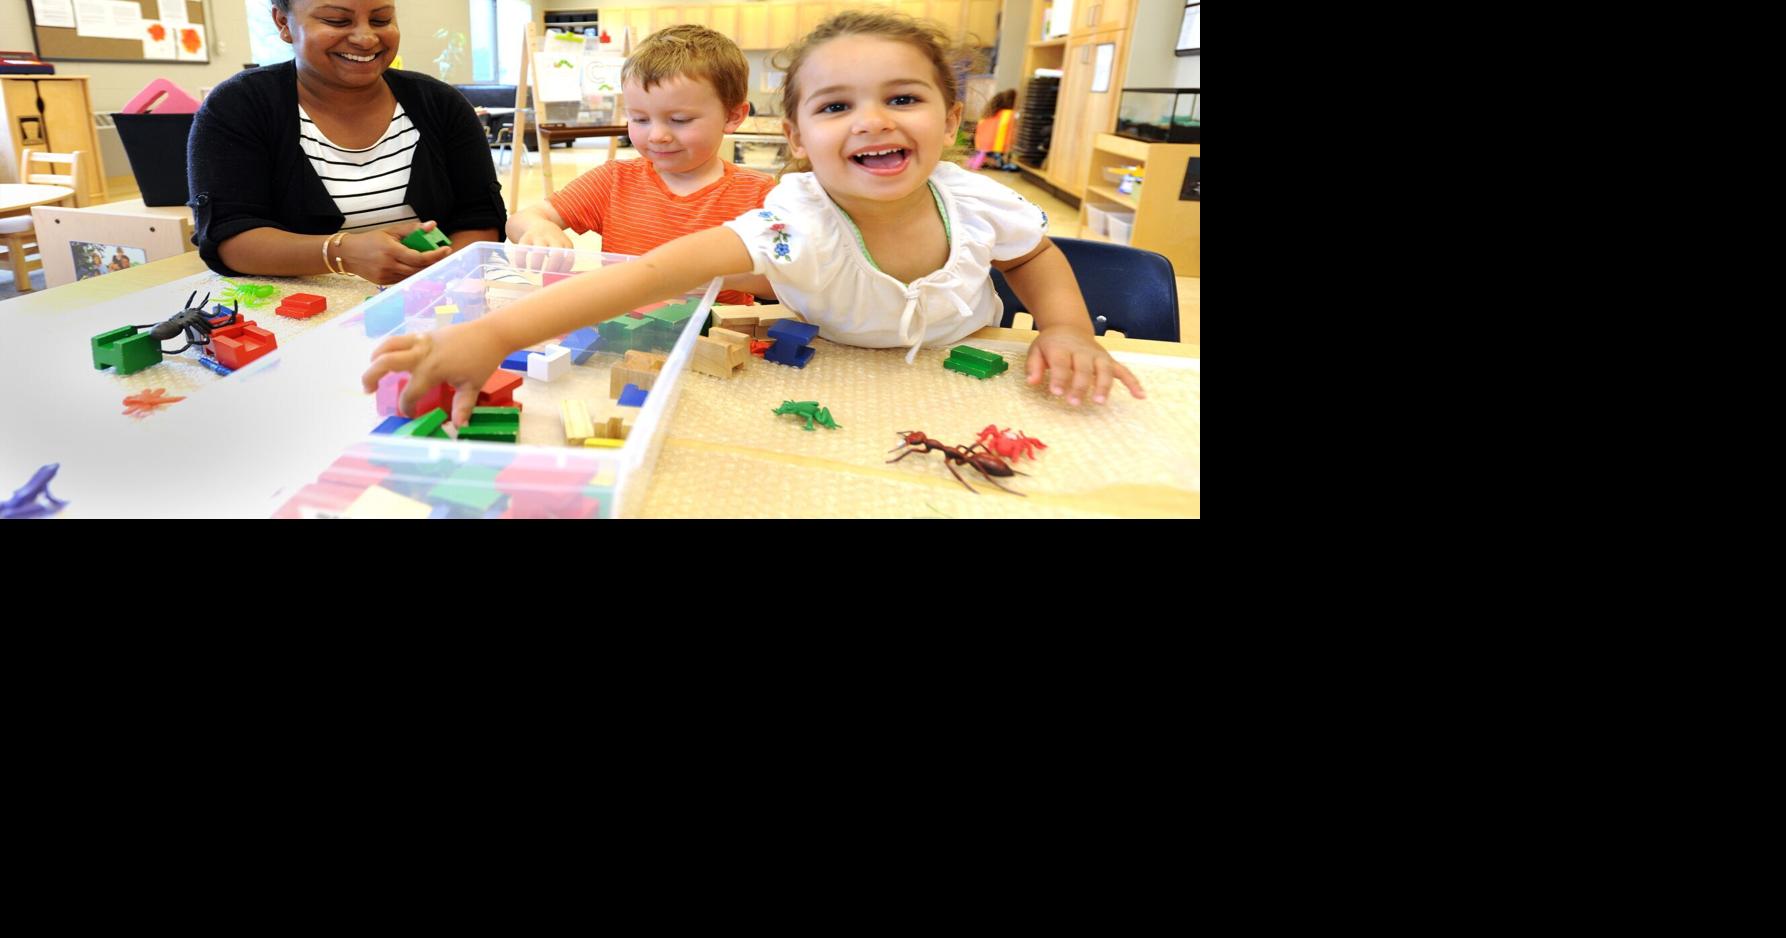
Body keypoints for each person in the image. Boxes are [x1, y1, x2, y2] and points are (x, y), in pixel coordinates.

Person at [364, 10, 1142, 420]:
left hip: (966, 373)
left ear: (951, 119)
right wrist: (494, 335)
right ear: (796, 137)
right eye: (836, 107)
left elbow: (1030, 256)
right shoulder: (790, 223)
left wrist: (1067, 329)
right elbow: (651, 274)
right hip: (838, 376)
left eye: (903, 97)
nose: (872, 120)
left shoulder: (977, 199)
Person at [187, 0, 504, 285]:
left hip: (434, 303)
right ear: (283, 23)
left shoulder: (440, 104)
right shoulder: (240, 106)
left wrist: (438, 276)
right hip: (296, 313)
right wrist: (341, 253)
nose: (366, 38)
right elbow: (229, 237)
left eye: (381, 20)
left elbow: (480, 218)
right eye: (337, 21)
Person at [504, 24, 774, 306]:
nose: (657, 135)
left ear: (732, 116)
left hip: (717, 330)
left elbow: (784, 284)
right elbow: (520, 220)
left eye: (679, 120)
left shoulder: (758, 194)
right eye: (640, 119)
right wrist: (538, 228)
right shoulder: (613, 181)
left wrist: (719, 271)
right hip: (623, 326)